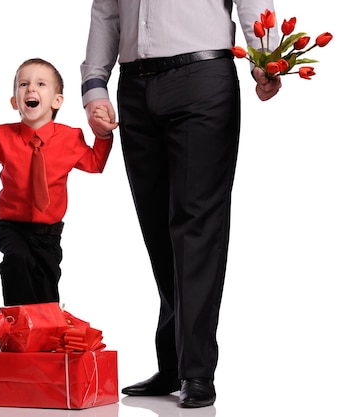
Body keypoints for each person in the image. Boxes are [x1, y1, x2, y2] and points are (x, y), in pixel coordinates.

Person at [80, 0, 282, 409]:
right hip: (134, 85)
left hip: (203, 78)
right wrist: (95, 86)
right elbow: (105, 10)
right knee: (157, 227)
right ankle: (173, 362)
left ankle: (196, 371)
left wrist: (266, 60)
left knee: (196, 226)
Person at [0, 58, 114, 307]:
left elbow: (95, 163)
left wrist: (103, 136)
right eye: (24, 84)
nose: (31, 89)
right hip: (11, 227)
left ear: (57, 101)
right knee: (17, 259)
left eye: (40, 84)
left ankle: (44, 330)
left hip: (49, 234)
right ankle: (18, 321)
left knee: (46, 294)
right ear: (15, 101)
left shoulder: (70, 138)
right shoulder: (2, 136)